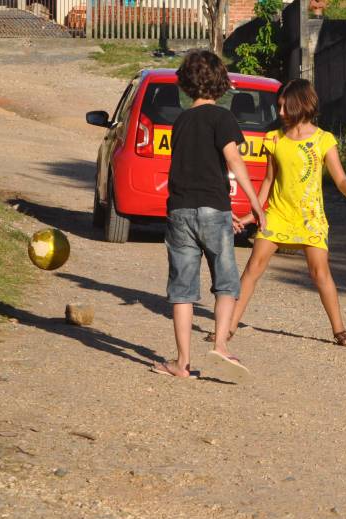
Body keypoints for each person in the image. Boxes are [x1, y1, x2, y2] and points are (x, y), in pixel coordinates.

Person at [227, 78, 346, 347]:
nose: (281, 112)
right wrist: (254, 213)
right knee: (252, 269)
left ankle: (339, 329)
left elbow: (340, 178)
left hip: (311, 218)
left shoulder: (323, 140)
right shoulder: (274, 138)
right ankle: (228, 327)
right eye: (279, 106)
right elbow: (268, 181)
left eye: (286, 106)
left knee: (320, 273)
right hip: (277, 215)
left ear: (303, 105)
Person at [154, 50, 265, 380]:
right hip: (214, 209)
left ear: (186, 84)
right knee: (226, 281)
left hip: (180, 211)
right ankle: (220, 345)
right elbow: (233, 160)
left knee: (182, 289)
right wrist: (254, 204)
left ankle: (182, 363)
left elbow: (187, 168)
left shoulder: (180, 122)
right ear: (221, 83)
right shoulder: (222, 118)